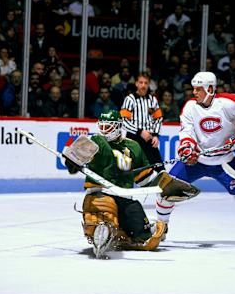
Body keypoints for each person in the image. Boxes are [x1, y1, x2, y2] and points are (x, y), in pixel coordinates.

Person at [63, 110, 199, 258]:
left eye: (108, 127)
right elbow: (73, 160)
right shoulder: (96, 141)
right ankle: (101, 231)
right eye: (102, 126)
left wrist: (164, 185)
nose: (103, 131)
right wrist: (72, 160)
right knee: (101, 214)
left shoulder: (133, 147)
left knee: (144, 235)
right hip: (100, 193)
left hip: (125, 197)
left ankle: (122, 232)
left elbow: (144, 178)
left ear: (117, 126)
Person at [155, 71, 235, 234]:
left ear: (210, 89)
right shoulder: (190, 107)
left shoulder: (230, 103)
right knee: (166, 190)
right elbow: (187, 132)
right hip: (196, 160)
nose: (194, 92)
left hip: (225, 161)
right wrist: (188, 147)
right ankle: (161, 227)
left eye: (198, 89)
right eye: (194, 89)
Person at [120, 72, 165, 172]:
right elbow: (123, 121)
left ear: (149, 84)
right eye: (141, 82)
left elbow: (158, 119)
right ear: (136, 83)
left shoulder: (152, 100)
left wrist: (156, 135)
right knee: (128, 169)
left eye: (146, 83)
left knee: (159, 168)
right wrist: (140, 131)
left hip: (148, 138)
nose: (143, 85)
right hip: (133, 138)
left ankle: (160, 186)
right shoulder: (130, 99)